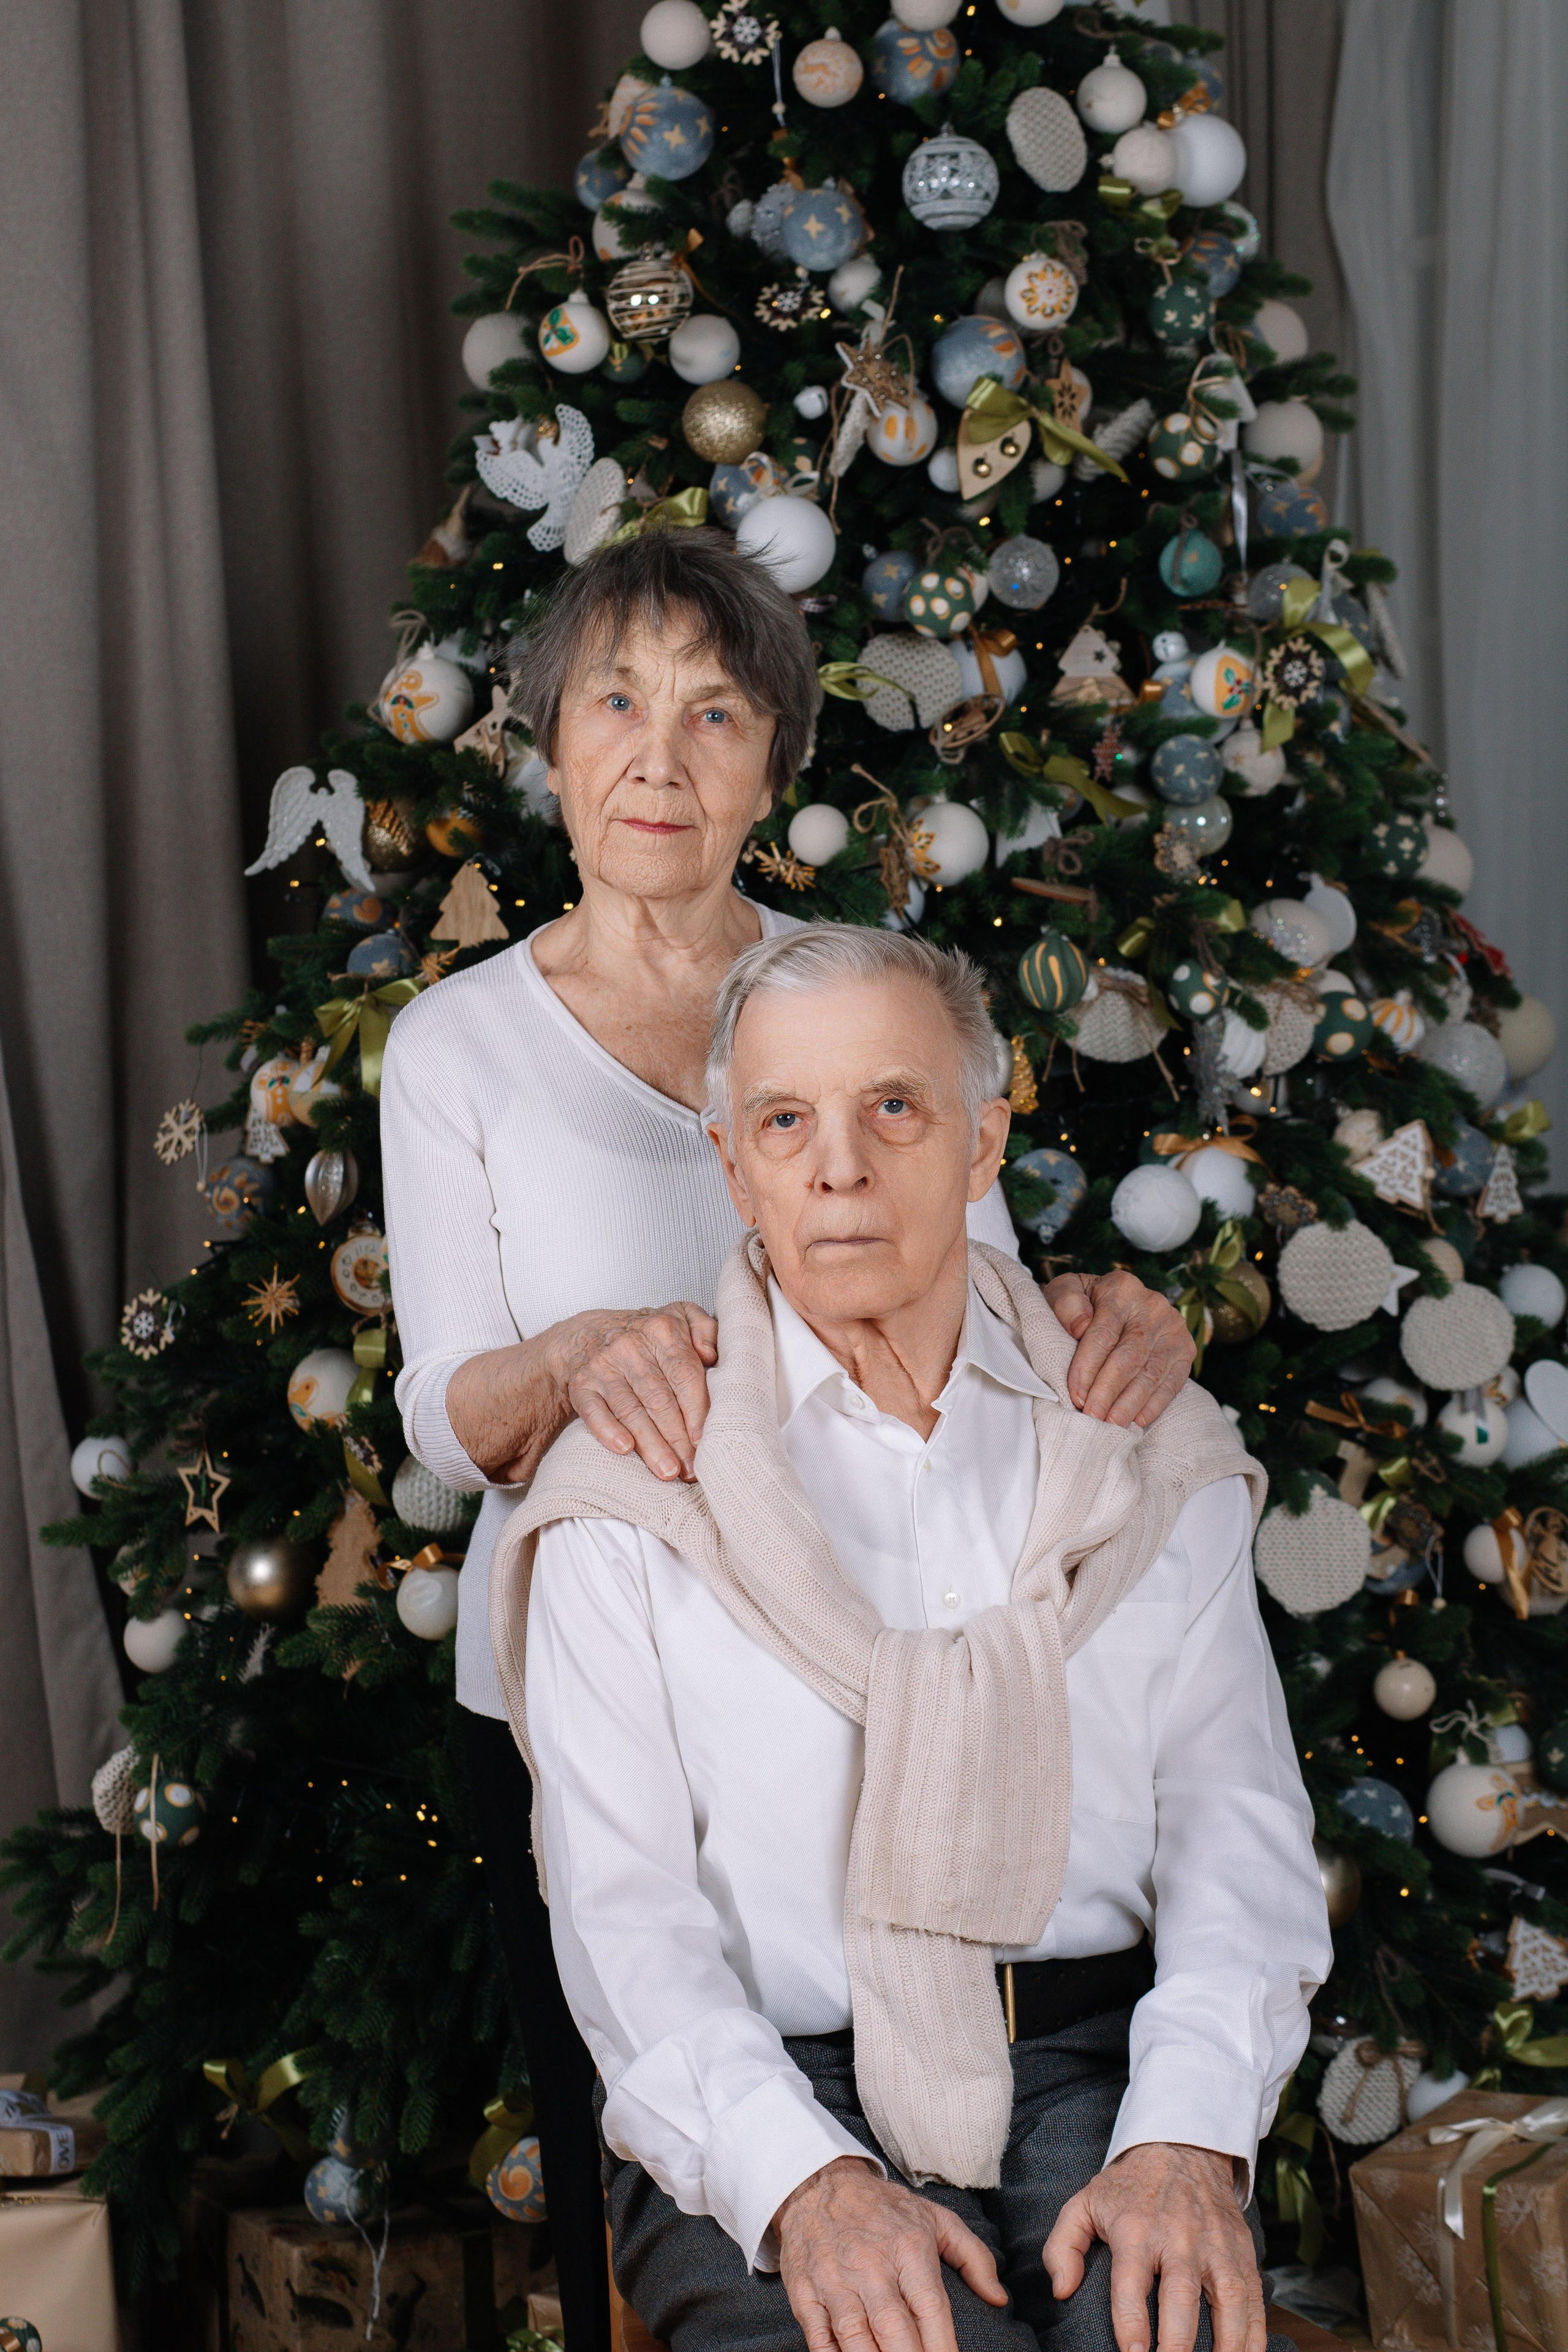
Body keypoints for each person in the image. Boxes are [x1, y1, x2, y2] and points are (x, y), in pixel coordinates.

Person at [380, 534, 1199, 2352]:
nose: (658, 757)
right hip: (609, 1685)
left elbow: (978, 1285)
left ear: (774, 765)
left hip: (893, 1667)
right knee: (664, 2136)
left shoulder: (852, 994)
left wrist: (1114, 1317)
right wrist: (576, 1359)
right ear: (550, 741)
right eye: (616, 702)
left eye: (715, 713)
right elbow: (443, 1419)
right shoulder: (457, 1049)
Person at [493, 925, 1331, 2352]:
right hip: (775, 2092)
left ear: (982, 1140)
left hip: (1097, 2068)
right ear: (732, 1164)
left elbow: (1232, 1829)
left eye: (892, 1106)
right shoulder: (632, 1489)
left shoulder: (1136, 1439)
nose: (838, 1168)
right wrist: (803, 2184)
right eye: (783, 1121)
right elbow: (627, 1925)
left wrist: (1185, 2137)